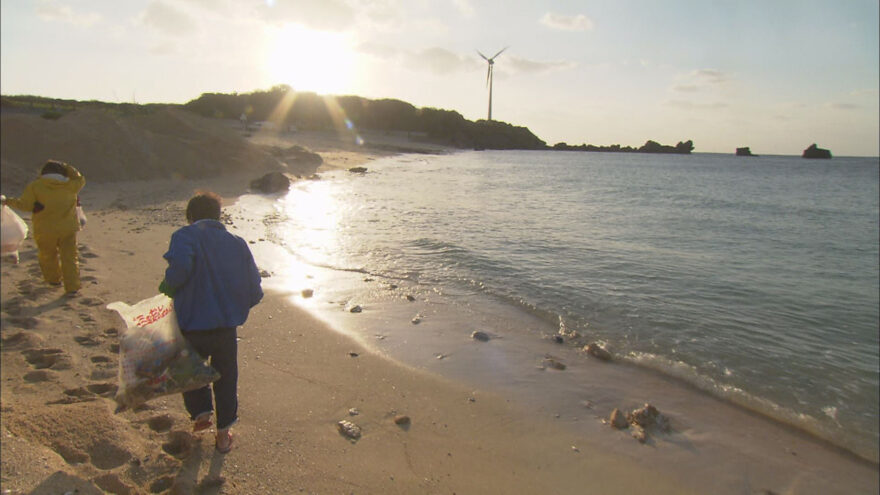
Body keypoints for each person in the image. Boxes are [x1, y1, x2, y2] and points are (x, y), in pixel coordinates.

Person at [159, 191, 263, 454]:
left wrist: (169, 285)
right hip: (226, 327)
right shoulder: (237, 242)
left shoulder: (184, 236)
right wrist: (236, 308)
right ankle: (224, 433)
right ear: (219, 216)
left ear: (190, 217)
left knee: (190, 371)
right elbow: (254, 287)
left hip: (191, 323)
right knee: (227, 378)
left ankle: (202, 412)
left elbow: (180, 269)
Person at [2, 160, 85, 294]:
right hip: (68, 229)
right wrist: (66, 166)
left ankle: (53, 280)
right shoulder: (70, 185)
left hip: (45, 229)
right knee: (69, 258)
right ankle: (72, 287)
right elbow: (80, 178)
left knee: (48, 255)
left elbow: (25, 206)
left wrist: (8, 201)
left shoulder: (35, 186)